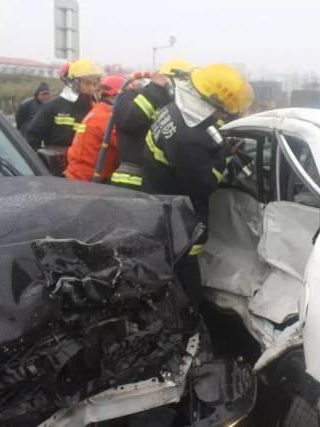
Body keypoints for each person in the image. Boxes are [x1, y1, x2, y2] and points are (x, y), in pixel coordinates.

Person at [141, 64, 254, 302]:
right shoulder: (187, 138)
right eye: (223, 111)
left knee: (168, 266)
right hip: (178, 219)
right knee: (184, 272)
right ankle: (189, 320)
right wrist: (225, 154)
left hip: (157, 199)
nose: (224, 116)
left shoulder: (174, 110)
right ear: (210, 101)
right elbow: (204, 186)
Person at [108, 59, 194, 189]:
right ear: (166, 79)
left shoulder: (179, 106)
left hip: (162, 183)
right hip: (132, 183)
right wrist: (154, 91)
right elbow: (127, 121)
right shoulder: (134, 95)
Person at [27, 59, 103, 155]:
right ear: (74, 83)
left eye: (94, 84)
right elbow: (33, 138)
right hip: (57, 166)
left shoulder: (96, 109)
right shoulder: (51, 107)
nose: (92, 88)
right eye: (87, 83)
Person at [65, 75, 126, 181]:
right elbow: (125, 144)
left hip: (79, 177)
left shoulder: (99, 111)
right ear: (114, 97)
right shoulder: (104, 118)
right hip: (85, 182)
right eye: (127, 98)